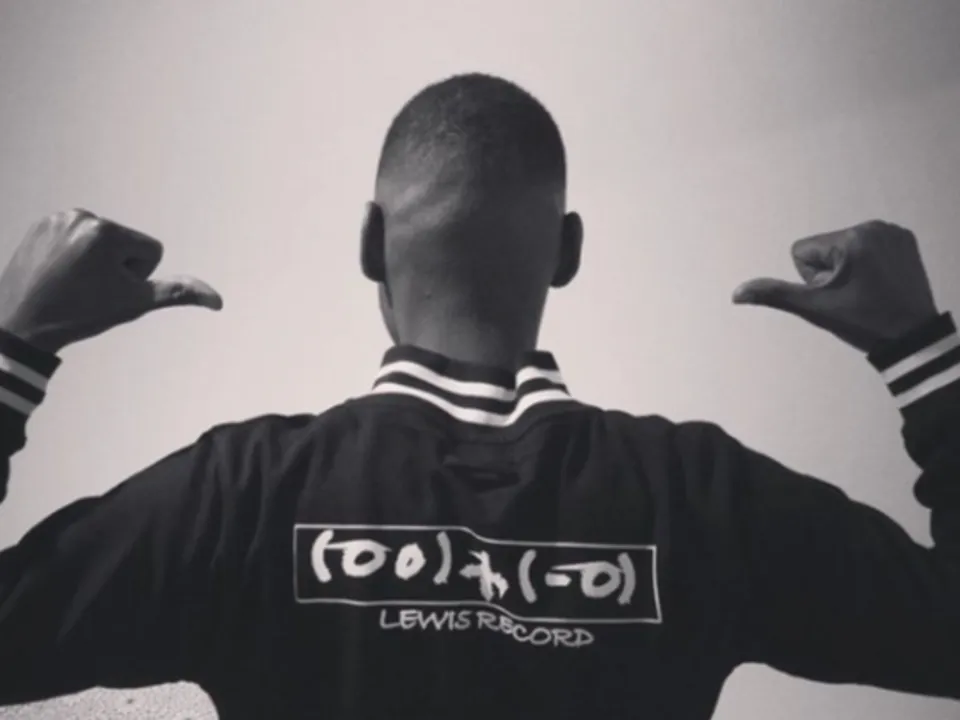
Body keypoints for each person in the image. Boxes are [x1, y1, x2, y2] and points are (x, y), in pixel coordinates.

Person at [0, 73, 957, 720]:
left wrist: (17, 345)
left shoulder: (239, 495)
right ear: (568, 251)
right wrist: (921, 351)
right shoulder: (705, 496)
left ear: (370, 245)